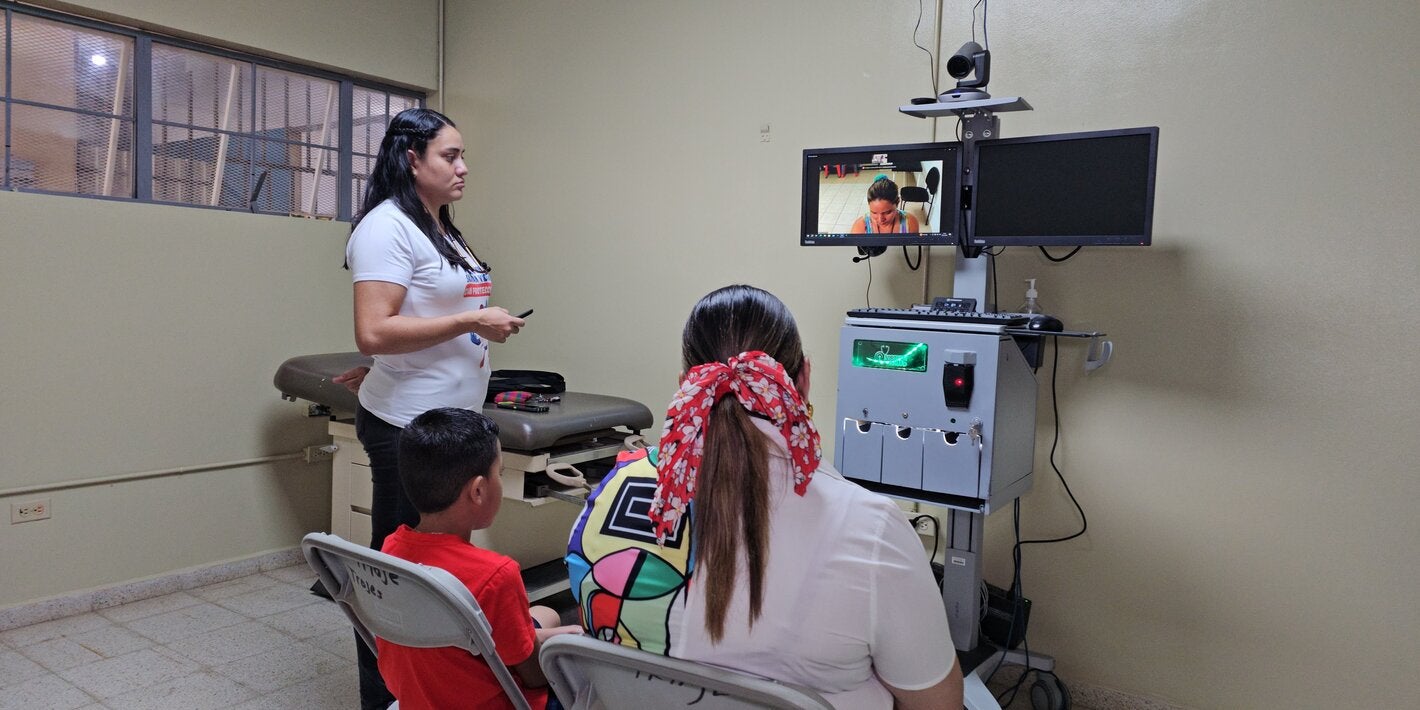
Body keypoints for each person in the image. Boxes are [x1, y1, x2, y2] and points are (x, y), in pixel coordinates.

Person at [567, 285, 962, 709]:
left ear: (687, 385)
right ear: (803, 380)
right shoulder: (871, 528)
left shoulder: (613, 490)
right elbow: (938, 703)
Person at [343, 106, 527, 709]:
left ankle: (439, 692)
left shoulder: (437, 224)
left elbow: (415, 320)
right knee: (395, 588)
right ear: (410, 159)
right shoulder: (385, 227)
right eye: (450, 156)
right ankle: (387, 700)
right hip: (406, 431)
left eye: (462, 154)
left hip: (446, 425)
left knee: (441, 578)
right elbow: (374, 330)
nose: (464, 167)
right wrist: (474, 320)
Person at [379, 408, 581, 710]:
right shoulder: (496, 574)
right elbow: (535, 676)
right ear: (478, 490)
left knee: (546, 612)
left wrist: (549, 635)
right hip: (496, 702)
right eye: (499, 474)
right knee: (585, 660)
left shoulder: (391, 548)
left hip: (419, 697)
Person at [849, 174, 920, 234]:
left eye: (887, 212)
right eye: (874, 212)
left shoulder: (910, 223)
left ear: (897, 203)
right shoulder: (860, 226)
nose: (880, 219)